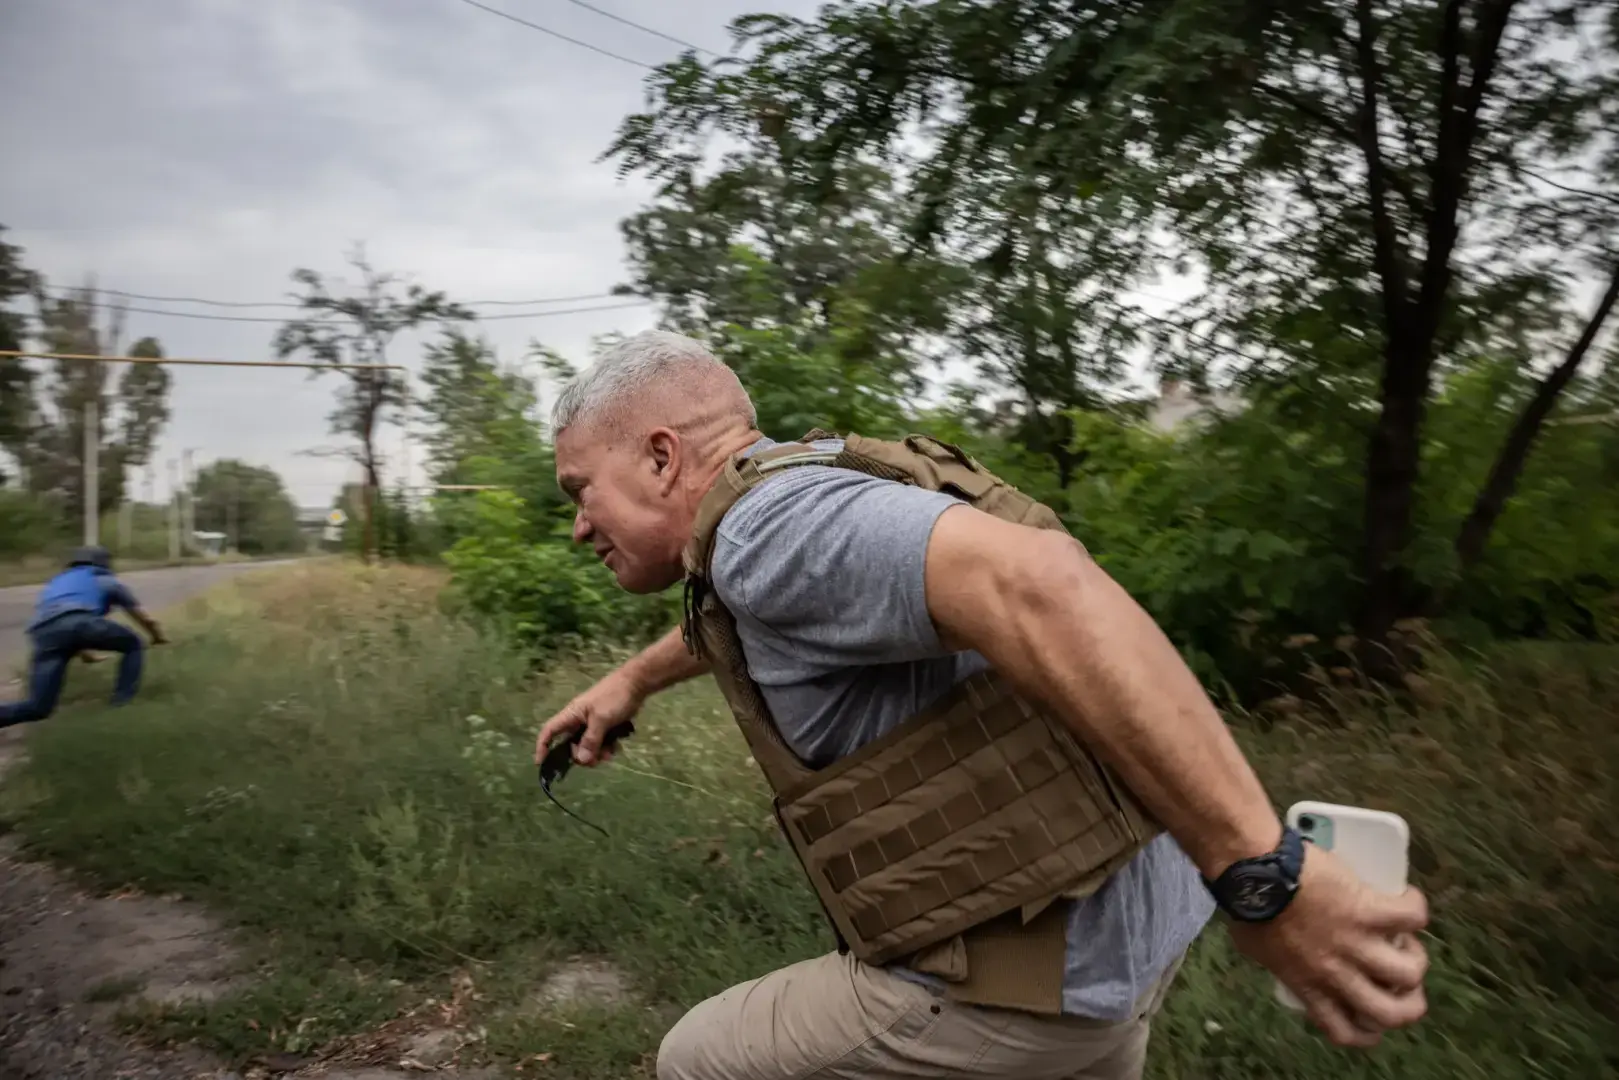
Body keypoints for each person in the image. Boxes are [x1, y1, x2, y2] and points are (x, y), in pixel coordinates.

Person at [535, 330, 1429, 1080]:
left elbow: (1044, 585)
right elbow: (749, 616)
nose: (576, 525)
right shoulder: (798, 497)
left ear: (659, 456)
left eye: (581, 490)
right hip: (1118, 947)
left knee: (696, 1059)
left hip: (1012, 988)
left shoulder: (768, 530)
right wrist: (631, 681)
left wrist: (1262, 877)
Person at [0, 546, 167, 727]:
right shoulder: (105, 580)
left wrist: (87, 655)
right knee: (133, 644)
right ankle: (121, 702)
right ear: (104, 563)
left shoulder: (57, 583)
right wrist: (157, 637)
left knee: (38, 708)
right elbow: (146, 619)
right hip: (81, 624)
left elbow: (63, 626)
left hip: (43, 634)